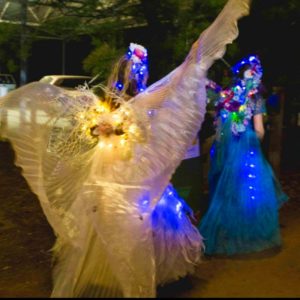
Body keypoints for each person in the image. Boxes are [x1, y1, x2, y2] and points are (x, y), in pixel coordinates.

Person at [0, 0, 250, 297]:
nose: (140, 74)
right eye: (137, 70)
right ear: (131, 73)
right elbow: (165, 92)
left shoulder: (124, 100)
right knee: (126, 221)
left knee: (125, 220)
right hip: (123, 171)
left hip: (120, 170)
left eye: (140, 69)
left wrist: (193, 60)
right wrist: (194, 59)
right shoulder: (127, 101)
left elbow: (164, 93)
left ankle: (133, 276)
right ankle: (131, 278)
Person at [198, 54, 288, 256]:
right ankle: (248, 232)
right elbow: (259, 130)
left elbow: (220, 123)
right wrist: (253, 138)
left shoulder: (231, 96)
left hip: (229, 149)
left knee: (229, 190)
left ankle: (229, 231)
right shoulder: (253, 98)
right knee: (248, 191)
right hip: (246, 149)